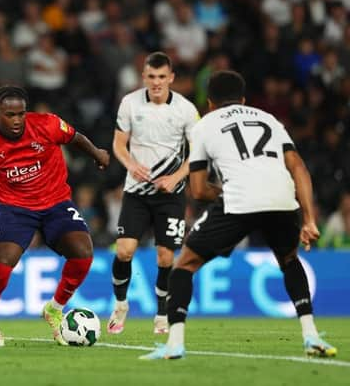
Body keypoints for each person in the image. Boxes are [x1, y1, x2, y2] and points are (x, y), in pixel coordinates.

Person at [140, 71, 337, 360]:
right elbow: (298, 168)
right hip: (282, 198)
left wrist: (225, 193)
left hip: (239, 199)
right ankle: (310, 335)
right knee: (289, 259)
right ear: (243, 99)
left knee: (185, 265)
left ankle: (174, 344)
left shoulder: (204, 125)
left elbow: (196, 189)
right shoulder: (270, 119)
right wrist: (308, 218)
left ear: (209, 103)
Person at [0, 85, 110, 345]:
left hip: (56, 202)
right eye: (9, 115)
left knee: (83, 253)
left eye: (21, 114)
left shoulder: (47, 125)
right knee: (2, 262)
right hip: (16, 208)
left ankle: (54, 309)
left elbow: (75, 137)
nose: (16, 120)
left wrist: (98, 154)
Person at [108, 52, 199, 335]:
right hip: (136, 192)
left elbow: (198, 152)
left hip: (171, 194)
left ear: (171, 78)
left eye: (162, 77)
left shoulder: (185, 109)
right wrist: (131, 164)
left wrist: (175, 178)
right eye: (151, 77)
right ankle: (121, 305)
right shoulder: (130, 103)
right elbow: (119, 144)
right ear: (144, 77)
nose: (157, 83)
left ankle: (162, 314)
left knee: (165, 258)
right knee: (124, 251)